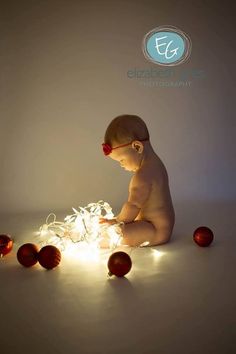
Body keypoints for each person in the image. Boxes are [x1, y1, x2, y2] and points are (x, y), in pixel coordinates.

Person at [99, 114, 175, 248]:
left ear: (137, 147)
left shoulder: (143, 176)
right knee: (118, 229)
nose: (121, 165)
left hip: (154, 230)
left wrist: (116, 221)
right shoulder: (157, 165)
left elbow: (133, 206)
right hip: (158, 225)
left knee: (115, 233)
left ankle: (95, 240)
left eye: (121, 160)